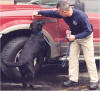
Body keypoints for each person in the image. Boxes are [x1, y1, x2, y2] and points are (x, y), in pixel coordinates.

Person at [32, 0, 99, 90]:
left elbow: (88, 31)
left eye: (59, 12)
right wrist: (38, 12)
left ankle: (94, 80)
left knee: (89, 59)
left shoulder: (81, 16)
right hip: (74, 37)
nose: (58, 13)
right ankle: (73, 79)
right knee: (72, 58)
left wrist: (75, 37)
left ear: (64, 11)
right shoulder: (63, 13)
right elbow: (52, 13)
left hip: (86, 38)